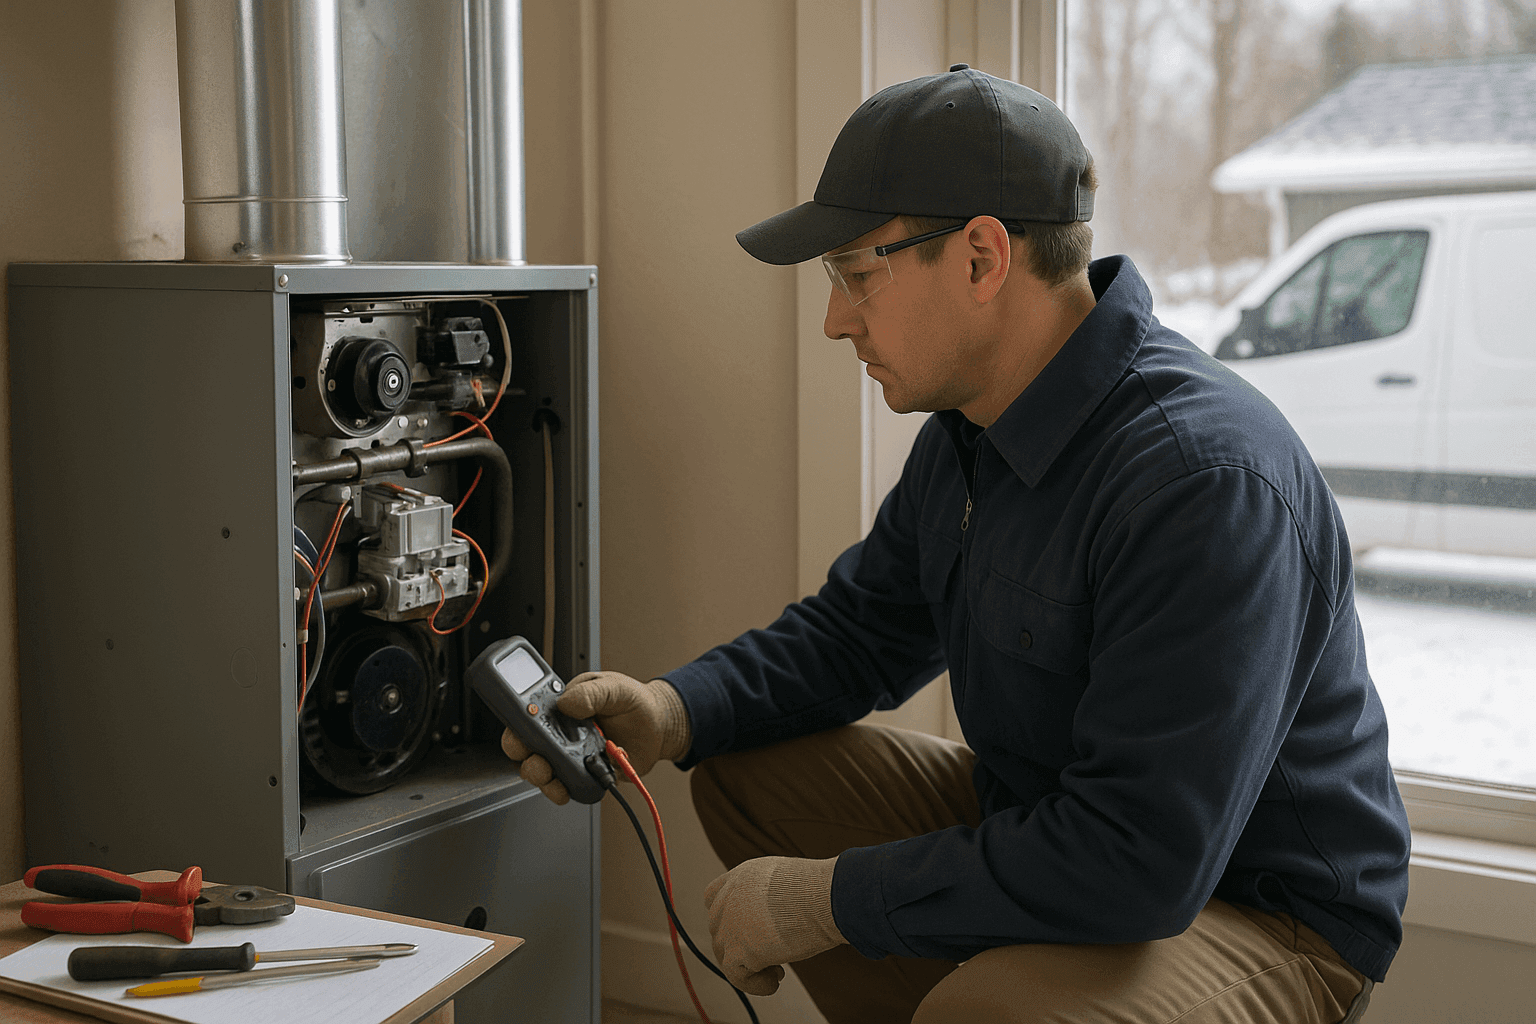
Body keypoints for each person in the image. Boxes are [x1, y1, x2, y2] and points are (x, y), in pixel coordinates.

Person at [500, 65, 1410, 1024]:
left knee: (989, 1011)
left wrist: (827, 900)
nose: (835, 318)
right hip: (1052, 820)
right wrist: (669, 711)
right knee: (745, 770)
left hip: (1261, 910)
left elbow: (1142, 860)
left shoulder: (1201, 480)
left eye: (858, 275)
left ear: (982, 257)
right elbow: (857, 633)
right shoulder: (973, 427)